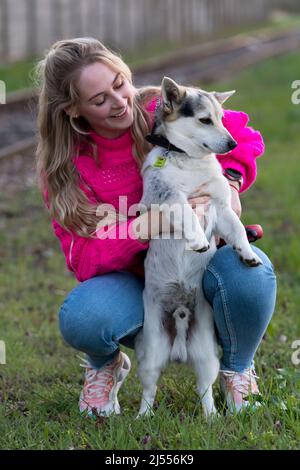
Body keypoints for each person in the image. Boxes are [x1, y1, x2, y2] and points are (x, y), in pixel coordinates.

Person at [35, 37, 277, 417]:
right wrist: (147, 225)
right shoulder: (68, 169)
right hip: (134, 283)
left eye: (119, 83)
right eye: (100, 100)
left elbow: (239, 134)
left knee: (253, 274)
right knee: (85, 317)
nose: (119, 102)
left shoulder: (160, 108)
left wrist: (229, 181)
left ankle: (237, 368)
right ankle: (105, 365)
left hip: (200, 262)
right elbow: (84, 256)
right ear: (73, 111)